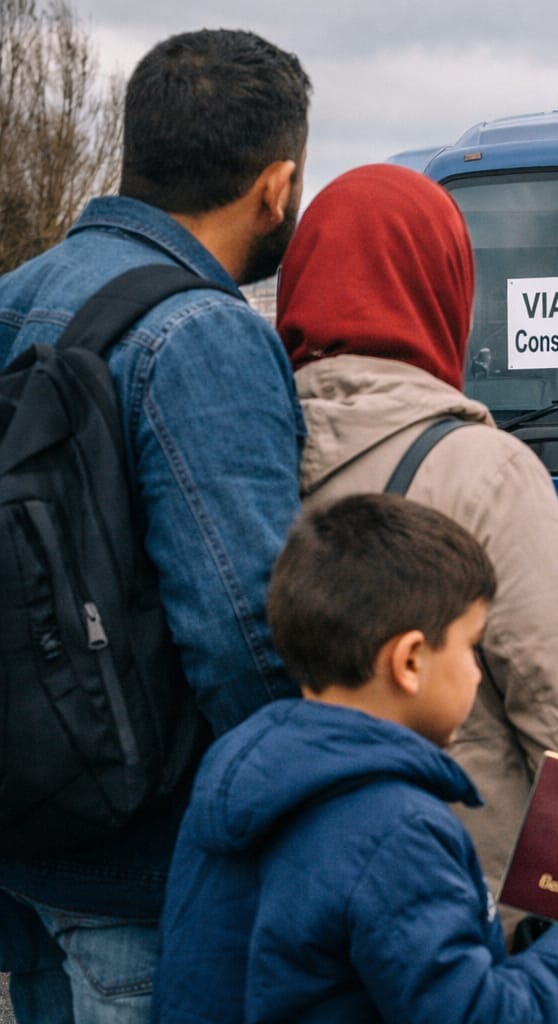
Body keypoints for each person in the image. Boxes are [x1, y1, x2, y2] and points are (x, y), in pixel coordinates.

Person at [273, 164, 558, 941]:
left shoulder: (239, 449)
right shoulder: (482, 470)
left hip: (297, 904)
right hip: (468, 909)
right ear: (444, 287)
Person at [0, 29, 310, 1021]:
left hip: (27, 830)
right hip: (147, 873)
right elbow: (246, 634)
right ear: (278, 185)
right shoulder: (201, 334)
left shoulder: (15, 299)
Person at [155, 494, 558, 1023]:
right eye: (470, 647)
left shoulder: (235, 763)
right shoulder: (400, 832)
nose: (477, 671)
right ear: (410, 661)